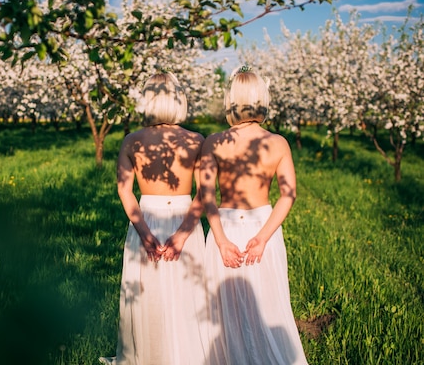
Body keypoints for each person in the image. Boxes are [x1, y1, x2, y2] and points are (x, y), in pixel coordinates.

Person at [200, 65, 308, 364]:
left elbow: (207, 195)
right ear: (262, 99)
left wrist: (220, 241)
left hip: (225, 225)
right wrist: (261, 238)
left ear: (231, 100)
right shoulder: (278, 142)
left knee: (226, 309)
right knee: (269, 302)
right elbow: (288, 195)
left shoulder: (215, 141)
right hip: (265, 226)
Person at [100, 72, 209, 365]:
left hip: (145, 217)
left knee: (147, 293)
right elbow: (205, 192)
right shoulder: (196, 140)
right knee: (189, 292)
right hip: (185, 218)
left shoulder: (131, 141)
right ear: (178, 100)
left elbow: (125, 190)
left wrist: (145, 233)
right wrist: (184, 233)